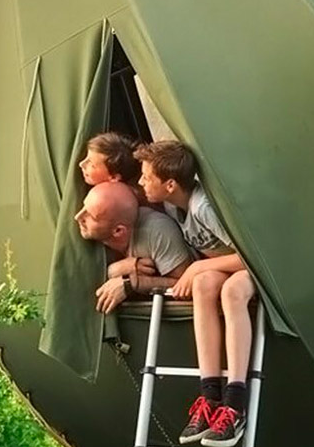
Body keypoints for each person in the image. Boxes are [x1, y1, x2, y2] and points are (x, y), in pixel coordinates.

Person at [135, 141, 253, 447]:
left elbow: (249, 258)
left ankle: (235, 404)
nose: (141, 181)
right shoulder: (173, 206)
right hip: (223, 265)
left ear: (170, 184)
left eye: (147, 176)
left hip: (252, 268)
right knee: (202, 286)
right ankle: (210, 396)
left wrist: (196, 268)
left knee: (231, 291)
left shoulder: (203, 208)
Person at [74, 181, 193, 313]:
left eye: (91, 216)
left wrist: (132, 283)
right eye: (84, 206)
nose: (77, 217)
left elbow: (184, 284)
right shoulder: (91, 235)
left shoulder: (157, 231)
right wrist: (114, 270)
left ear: (118, 231)